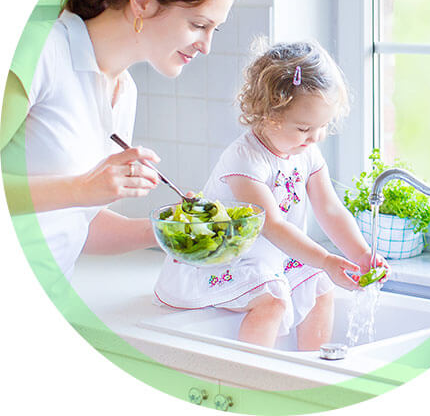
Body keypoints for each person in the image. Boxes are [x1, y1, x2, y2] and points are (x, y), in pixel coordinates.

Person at [0, 0, 245, 282]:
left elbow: (77, 223)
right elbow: (74, 194)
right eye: (198, 25)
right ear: (143, 1)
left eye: (214, 30)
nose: (205, 46)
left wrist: (171, 230)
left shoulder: (124, 91)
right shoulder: (39, 51)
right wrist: (82, 187)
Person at [154, 38, 390, 350]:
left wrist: (360, 254)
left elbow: (330, 209)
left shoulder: (307, 152)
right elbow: (273, 225)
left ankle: (306, 376)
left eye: (323, 126)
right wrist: (325, 259)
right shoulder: (245, 159)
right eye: (304, 128)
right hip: (229, 261)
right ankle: (252, 379)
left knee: (320, 287)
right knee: (273, 301)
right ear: (268, 114)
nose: (315, 137)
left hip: (273, 258)